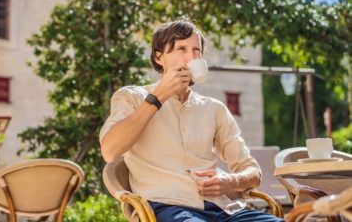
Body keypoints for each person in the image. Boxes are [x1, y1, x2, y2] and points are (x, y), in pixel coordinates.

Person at [100, 20, 283, 222]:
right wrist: (158, 97)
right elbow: (110, 151)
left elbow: (253, 172)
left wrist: (230, 180)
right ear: (159, 57)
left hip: (226, 210)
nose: (191, 57)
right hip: (167, 208)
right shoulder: (131, 97)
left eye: (197, 51)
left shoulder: (214, 109)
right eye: (181, 49)